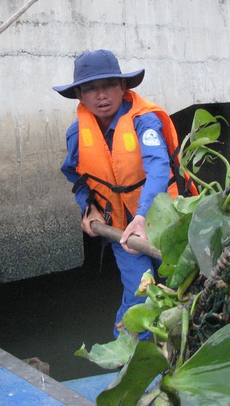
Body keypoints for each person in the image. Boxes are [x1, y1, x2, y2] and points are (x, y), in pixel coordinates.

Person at [54, 50, 195, 339]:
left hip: (166, 221)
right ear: (80, 96)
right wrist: (88, 208)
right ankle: (128, 358)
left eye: (108, 86)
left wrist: (142, 216)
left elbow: (157, 168)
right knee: (139, 293)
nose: (101, 95)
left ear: (123, 88)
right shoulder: (77, 133)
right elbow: (77, 177)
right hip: (120, 228)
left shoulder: (145, 122)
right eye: (91, 88)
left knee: (180, 288)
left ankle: (183, 352)